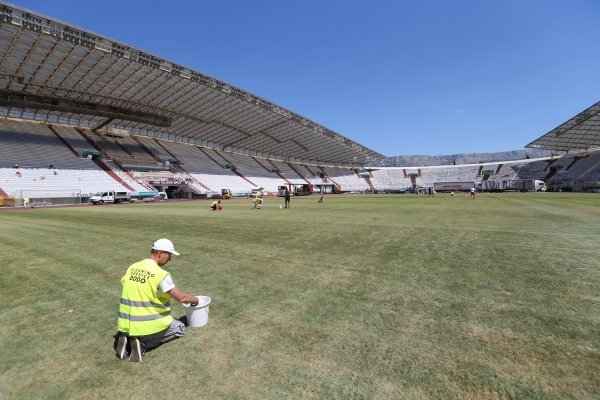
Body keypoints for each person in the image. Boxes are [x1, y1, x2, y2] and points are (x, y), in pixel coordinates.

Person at [114, 239, 198, 362]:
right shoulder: (160, 274)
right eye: (169, 255)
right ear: (160, 252)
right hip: (147, 324)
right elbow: (182, 298)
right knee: (179, 328)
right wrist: (195, 300)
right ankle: (142, 343)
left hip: (126, 323)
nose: (170, 259)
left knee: (135, 327)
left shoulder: (133, 267)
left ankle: (125, 337)